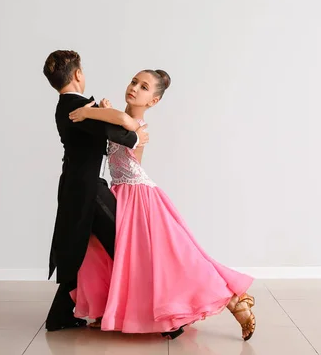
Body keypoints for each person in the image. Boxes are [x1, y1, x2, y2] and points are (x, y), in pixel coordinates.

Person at [68, 69, 257, 340]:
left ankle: (233, 300)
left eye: (144, 87)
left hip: (139, 196)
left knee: (174, 257)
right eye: (134, 82)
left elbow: (119, 123)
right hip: (120, 191)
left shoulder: (135, 125)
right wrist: (104, 112)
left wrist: (90, 112)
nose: (134, 88)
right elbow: (112, 127)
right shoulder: (120, 120)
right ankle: (108, 309)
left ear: (153, 101)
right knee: (103, 247)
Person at [42, 50, 149, 331]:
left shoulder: (67, 106)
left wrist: (103, 111)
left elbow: (104, 127)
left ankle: (61, 316)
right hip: (88, 189)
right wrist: (138, 134)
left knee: (82, 249)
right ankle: (157, 314)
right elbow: (116, 133)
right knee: (124, 245)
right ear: (78, 74)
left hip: (78, 187)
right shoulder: (78, 107)